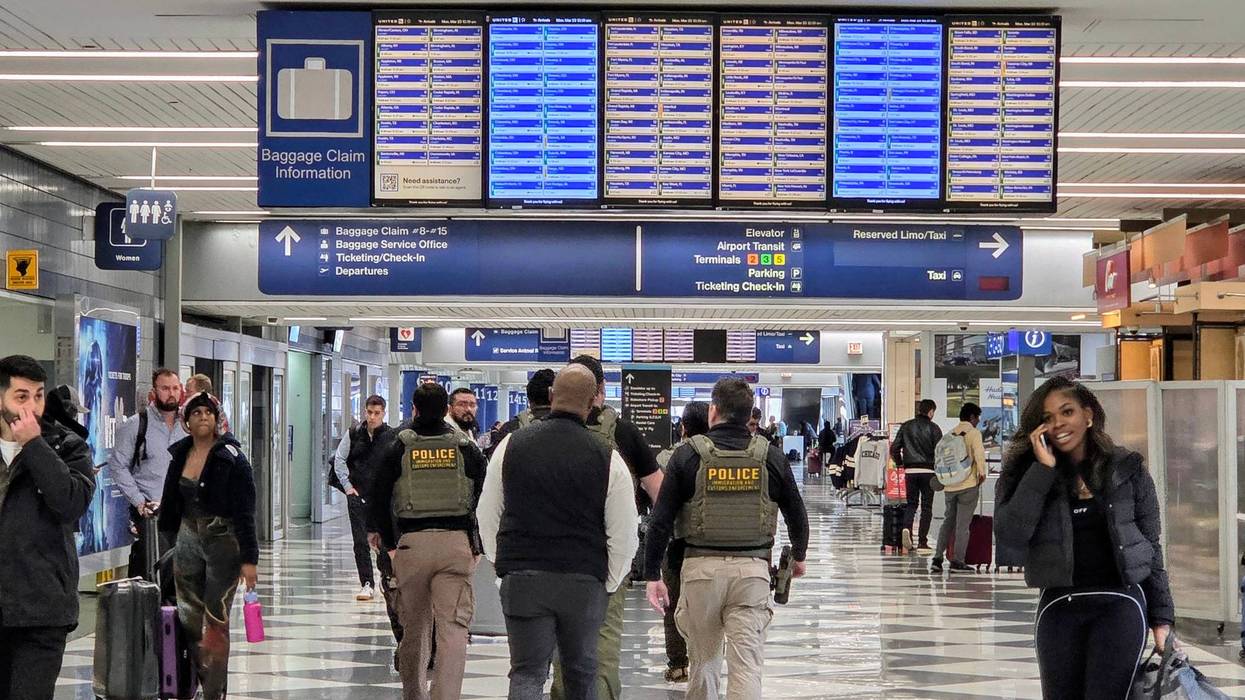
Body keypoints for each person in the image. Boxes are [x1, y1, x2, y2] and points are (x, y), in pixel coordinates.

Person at [996, 378, 1174, 699]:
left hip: (1120, 605)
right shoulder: (1027, 472)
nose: (1059, 424)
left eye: (1067, 412)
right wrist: (1042, 471)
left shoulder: (1126, 468)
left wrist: (1161, 618)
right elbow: (1011, 534)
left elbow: (1150, 546)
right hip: (1059, 607)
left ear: (1088, 415)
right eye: (1047, 418)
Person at [477, 365, 639, 700]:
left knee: (526, 673)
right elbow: (624, 532)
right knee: (581, 671)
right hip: (583, 581)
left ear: (551, 396)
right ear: (593, 403)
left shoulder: (510, 445)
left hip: (523, 579)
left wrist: (503, 565)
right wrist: (608, 582)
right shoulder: (609, 458)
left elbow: (487, 512)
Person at [644, 378, 810, 699]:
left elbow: (661, 520)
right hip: (753, 572)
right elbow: (796, 513)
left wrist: (653, 574)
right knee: (746, 665)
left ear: (713, 411)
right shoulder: (770, 457)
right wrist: (799, 556)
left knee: (703, 662)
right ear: (749, 414)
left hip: (699, 571)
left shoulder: (688, 456)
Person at [550, 355, 662, 700]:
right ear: (600, 389)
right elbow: (660, 490)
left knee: (562, 648)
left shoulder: (541, 432)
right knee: (603, 647)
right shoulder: (622, 431)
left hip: (554, 557)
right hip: (606, 558)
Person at [370, 382, 487, 700]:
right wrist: (474, 540)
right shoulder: (464, 446)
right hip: (455, 544)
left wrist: (390, 545)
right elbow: (482, 490)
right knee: (453, 629)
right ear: (446, 410)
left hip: (412, 545)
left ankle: (414, 693)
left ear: (415, 409)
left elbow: (378, 494)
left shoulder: (400, 445)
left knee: (415, 628)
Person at [0, 355, 95, 700]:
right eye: (21, 396)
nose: (32, 406)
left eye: (38, 395)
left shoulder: (68, 446)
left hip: (41, 609)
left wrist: (34, 445)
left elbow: (71, 503)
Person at [158, 392, 259, 700]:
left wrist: (249, 559)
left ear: (217, 419)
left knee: (216, 620)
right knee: (188, 618)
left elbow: (245, 510)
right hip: (187, 539)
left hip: (222, 542)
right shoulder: (180, 454)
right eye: (196, 412)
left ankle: (215, 692)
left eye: (208, 412)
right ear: (186, 421)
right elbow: (169, 504)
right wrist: (168, 543)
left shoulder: (231, 457)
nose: (203, 416)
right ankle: (194, 684)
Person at [108, 368, 187, 581]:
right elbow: (117, 465)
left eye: (175, 388)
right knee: (155, 568)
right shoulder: (136, 425)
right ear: (154, 392)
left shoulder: (187, 425)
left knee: (183, 571)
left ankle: (178, 611)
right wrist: (139, 502)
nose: (171, 393)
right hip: (151, 512)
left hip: (183, 511)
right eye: (165, 388)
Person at [652, 401, 709, 684]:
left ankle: (677, 664)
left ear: (682, 427)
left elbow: (655, 507)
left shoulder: (665, 458)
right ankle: (703, 660)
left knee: (672, 605)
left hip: (673, 543)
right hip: (708, 545)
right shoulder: (719, 456)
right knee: (705, 607)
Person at [333, 394, 392, 602]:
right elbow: (339, 459)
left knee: (383, 540)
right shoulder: (355, 434)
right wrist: (348, 487)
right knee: (360, 540)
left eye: (377, 413)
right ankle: (366, 582)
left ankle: (387, 576)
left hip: (382, 499)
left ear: (383, 413)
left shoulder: (390, 436)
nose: (372, 417)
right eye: (369, 412)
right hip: (358, 496)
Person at [930, 403, 988, 574]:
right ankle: (957, 561)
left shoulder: (950, 433)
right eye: (977, 417)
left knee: (947, 522)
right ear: (972, 417)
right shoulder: (973, 433)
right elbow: (979, 455)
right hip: (968, 485)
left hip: (949, 486)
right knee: (962, 525)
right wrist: (982, 475)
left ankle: (937, 559)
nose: (978, 421)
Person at [890, 399, 943, 554]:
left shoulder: (906, 426)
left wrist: (900, 463)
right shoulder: (934, 428)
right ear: (931, 411)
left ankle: (906, 528)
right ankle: (922, 542)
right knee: (926, 507)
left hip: (910, 471)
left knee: (911, 504)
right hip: (928, 472)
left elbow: (894, 448)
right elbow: (940, 451)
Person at [493, 369, 556, 447]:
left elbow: (497, 457)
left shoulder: (510, 430)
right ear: (554, 396)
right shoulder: (569, 429)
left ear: (529, 400)